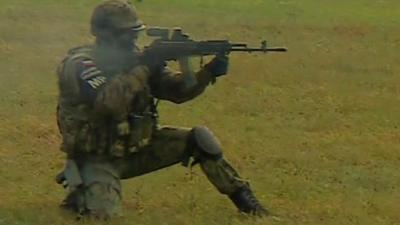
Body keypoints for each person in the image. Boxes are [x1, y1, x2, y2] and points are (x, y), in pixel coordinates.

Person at [56, 0, 267, 219]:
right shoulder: (80, 64)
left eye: (134, 34)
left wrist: (208, 73)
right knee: (101, 215)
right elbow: (109, 103)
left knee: (200, 139)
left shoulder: (136, 61)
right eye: (126, 35)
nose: (132, 40)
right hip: (97, 155)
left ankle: (247, 203)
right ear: (106, 35)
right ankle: (80, 187)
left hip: (135, 147)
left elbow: (176, 93)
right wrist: (146, 65)